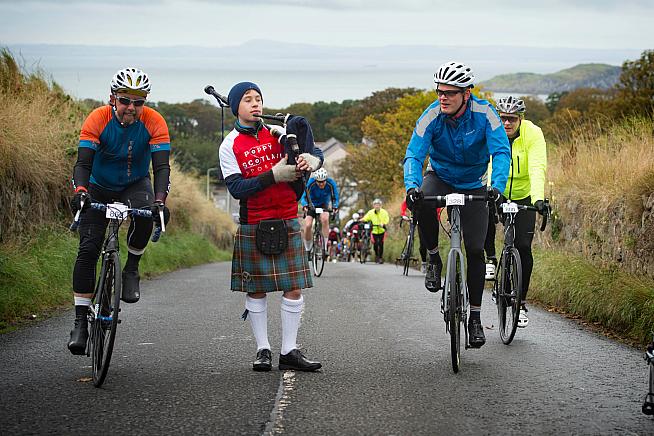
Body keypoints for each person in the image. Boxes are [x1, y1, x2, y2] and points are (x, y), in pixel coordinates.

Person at [403, 61, 511, 348]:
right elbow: (414, 155)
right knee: (422, 202)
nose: (443, 98)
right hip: (440, 176)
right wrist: (412, 186)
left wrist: (497, 188)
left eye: (450, 93)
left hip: (474, 183)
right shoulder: (431, 115)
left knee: (475, 250)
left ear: (466, 93)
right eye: (440, 92)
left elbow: (501, 152)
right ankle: (434, 259)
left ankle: (475, 318)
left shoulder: (485, 114)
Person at [219, 81, 324, 372]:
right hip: (255, 220)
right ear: (235, 107)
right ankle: (262, 349)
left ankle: (289, 350)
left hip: (288, 216)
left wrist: (313, 160)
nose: (255, 104)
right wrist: (273, 175)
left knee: (293, 288)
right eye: (248, 100)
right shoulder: (229, 145)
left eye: (258, 99)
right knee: (256, 290)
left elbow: (311, 149)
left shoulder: (277, 133)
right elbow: (237, 188)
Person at [67, 67, 171, 355]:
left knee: (148, 215)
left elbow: (161, 167)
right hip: (98, 186)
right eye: (125, 101)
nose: (132, 108)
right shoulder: (98, 118)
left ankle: (132, 269)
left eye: (139, 102)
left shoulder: (154, 121)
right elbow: (83, 164)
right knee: (88, 249)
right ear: (112, 98)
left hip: (134, 184)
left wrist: (160, 200)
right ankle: (80, 322)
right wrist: (81, 192)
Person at [484, 96, 547, 328]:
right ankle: (490, 258)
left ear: (521, 119)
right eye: (503, 119)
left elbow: (537, 166)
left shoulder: (533, 133)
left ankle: (520, 303)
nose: (507, 124)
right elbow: (489, 163)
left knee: (523, 247)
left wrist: (538, 198)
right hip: (498, 187)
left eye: (512, 119)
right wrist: (493, 191)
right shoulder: (492, 131)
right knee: (484, 209)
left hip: (524, 193)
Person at [301, 167, 339, 259]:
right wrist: (305, 205)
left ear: (326, 179)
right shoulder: (311, 182)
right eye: (319, 182)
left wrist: (335, 206)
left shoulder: (331, 183)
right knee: (308, 225)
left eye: (323, 181)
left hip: (323, 205)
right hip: (311, 204)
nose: (321, 184)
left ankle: (324, 247)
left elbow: (335, 197)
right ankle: (308, 248)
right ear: (316, 180)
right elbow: (304, 196)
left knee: (325, 219)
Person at [400, 199, 427, 272]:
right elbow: (404, 204)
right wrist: (403, 215)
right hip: (413, 217)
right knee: (411, 233)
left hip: (425, 219)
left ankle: (425, 263)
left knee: (424, 243)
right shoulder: (413, 195)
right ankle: (408, 249)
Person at [361, 198, 390, 264]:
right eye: (375, 205)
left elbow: (387, 219)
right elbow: (366, 218)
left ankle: (380, 257)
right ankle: (377, 255)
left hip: (382, 230)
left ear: (381, 205)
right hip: (374, 231)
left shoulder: (384, 212)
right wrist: (361, 220)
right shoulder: (371, 212)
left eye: (378, 205)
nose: (377, 206)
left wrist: (383, 223)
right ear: (373, 206)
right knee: (375, 244)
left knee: (381, 244)